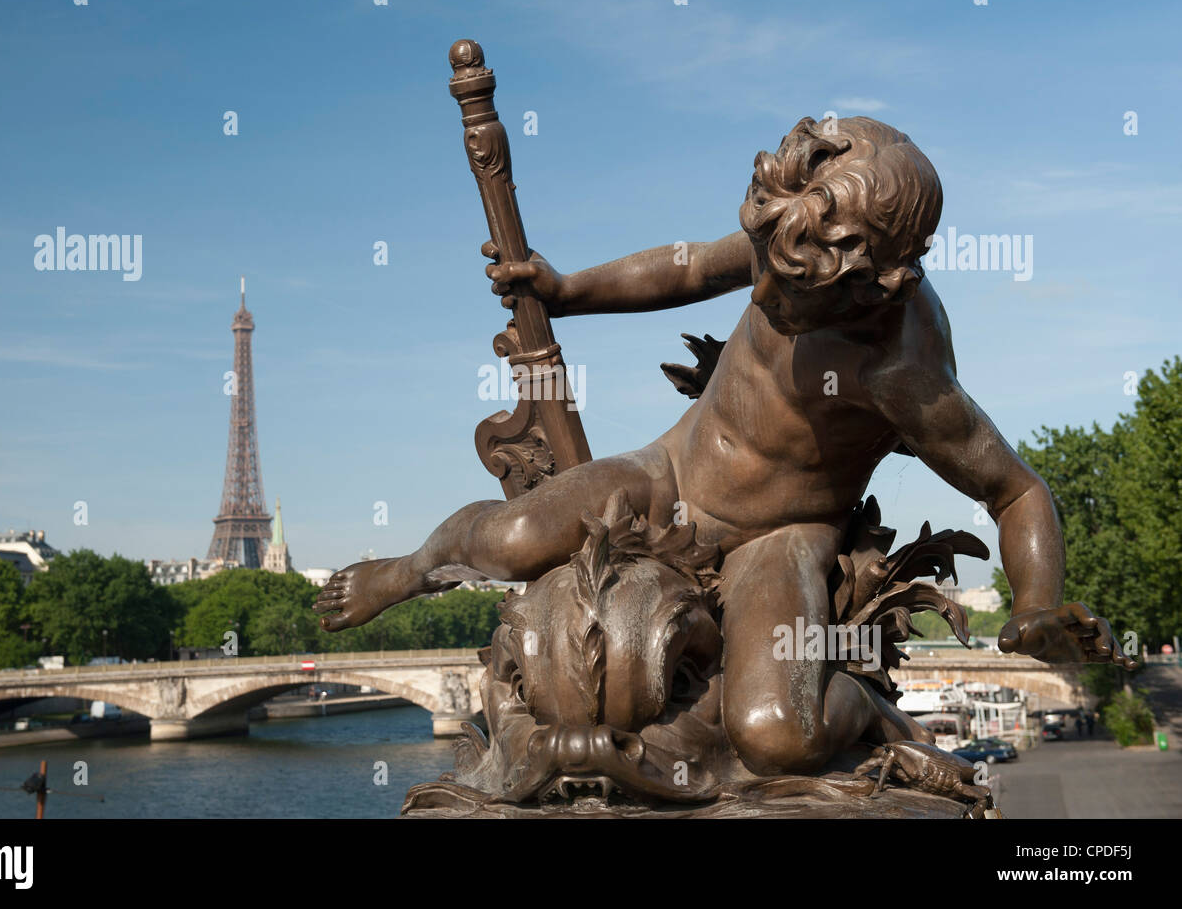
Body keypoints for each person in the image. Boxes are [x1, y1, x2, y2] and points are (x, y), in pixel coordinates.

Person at [318, 116, 1135, 775]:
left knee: (776, 732)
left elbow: (1016, 491)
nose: (767, 298)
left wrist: (1034, 605)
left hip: (778, 536)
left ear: (876, 284)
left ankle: (867, 708)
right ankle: (405, 569)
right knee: (513, 536)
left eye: (792, 296)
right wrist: (564, 292)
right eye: (764, 276)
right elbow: (680, 270)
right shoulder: (790, 238)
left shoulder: (900, 372)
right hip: (670, 472)